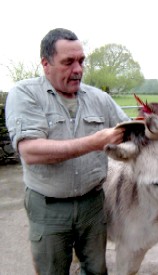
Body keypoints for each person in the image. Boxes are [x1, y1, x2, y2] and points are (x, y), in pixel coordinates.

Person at [5, 28, 129, 275]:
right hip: (48, 206)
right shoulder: (25, 94)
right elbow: (31, 151)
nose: (78, 69)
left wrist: (155, 128)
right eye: (68, 62)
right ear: (45, 63)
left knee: (96, 270)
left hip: (93, 204)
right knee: (52, 270)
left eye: (81, 61)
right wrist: (94, 142)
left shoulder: (99, 98)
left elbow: (130, 131)